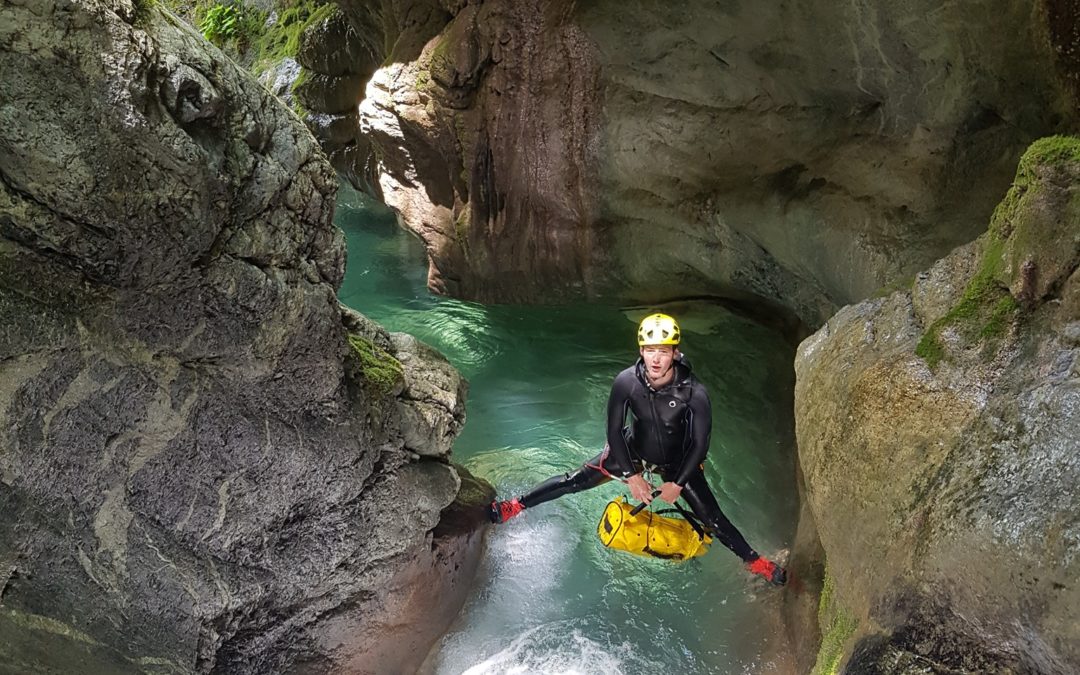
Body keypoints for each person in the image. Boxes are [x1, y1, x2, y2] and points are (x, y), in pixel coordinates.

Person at [488, 313, 787, 586]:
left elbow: (700, 444)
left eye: (663, 350)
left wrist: (677, 484)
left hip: (677, 461)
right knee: (573, 480)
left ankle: (754, 561)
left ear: (675, 352)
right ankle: (516, 506)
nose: (656, 358)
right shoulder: (627, 382)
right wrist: (632, 476)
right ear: (641, 351)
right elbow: (614, 430)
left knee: (713, 519)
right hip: (633, 449)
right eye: (650, 350)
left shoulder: (694, 392)